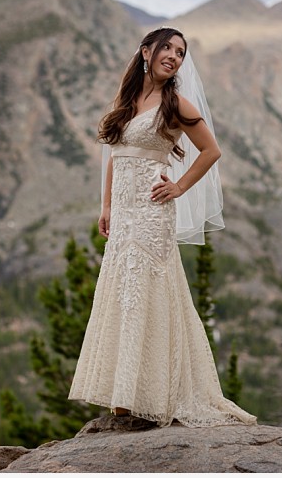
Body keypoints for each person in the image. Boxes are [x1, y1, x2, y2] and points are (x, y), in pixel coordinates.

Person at [68, 27, 256, 428]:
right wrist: (106, 206)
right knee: (122, 292)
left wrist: (179, 187)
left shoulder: (176, 103)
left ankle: (144, 394)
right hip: (123, 212)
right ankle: (124, 393)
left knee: (144, 294)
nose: (174, 56)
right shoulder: (126, 101)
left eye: (181, 52)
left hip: (152, 212)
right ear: (146, 52)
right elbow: (116, 156)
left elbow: (211, 150)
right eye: (167, 48)